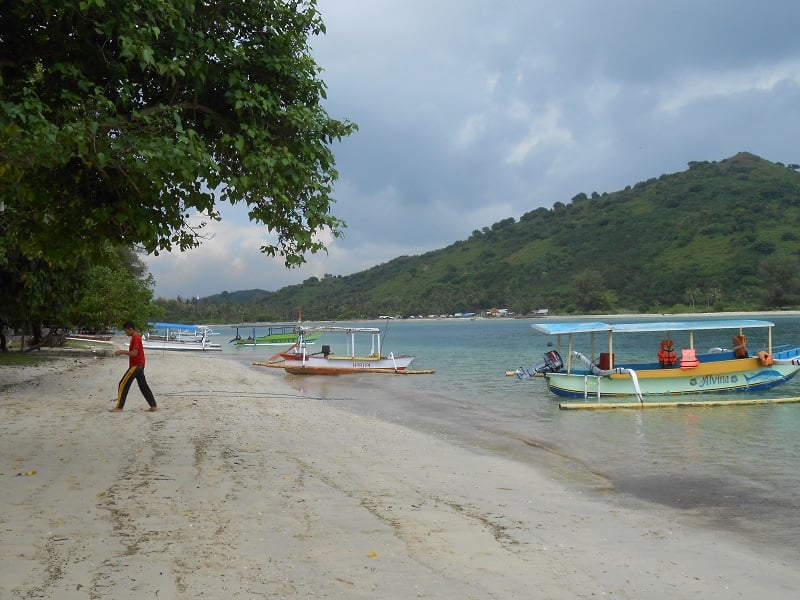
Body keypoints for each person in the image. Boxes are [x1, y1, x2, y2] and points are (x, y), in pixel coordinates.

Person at [112, 321, 157, 412]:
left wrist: (122, 352)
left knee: (123, 384)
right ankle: (153, 406)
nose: (126, 333)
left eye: (126, 331)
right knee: (143, 386)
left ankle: (119, 407)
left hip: (136, 366)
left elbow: (134, 353)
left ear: (130, 329)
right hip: (140, 365)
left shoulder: (136, 338)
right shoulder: (136, 337)